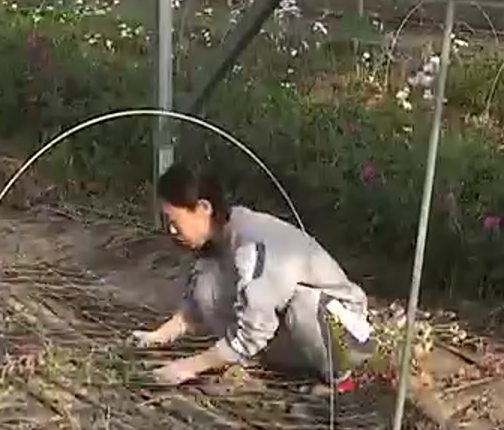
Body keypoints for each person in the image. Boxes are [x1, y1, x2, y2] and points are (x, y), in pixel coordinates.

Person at [131, 163, 374, 390]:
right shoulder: (215, 245)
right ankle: (256, 360)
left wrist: (188, 366)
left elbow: (255, 328)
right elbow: (194, 308)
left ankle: (340, 381)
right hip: (298, 334)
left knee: (303, 304)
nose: (171, 231)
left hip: (346, 335)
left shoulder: (251, 244)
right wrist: (156, 336)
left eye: (174, 221)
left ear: (204, 208)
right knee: (207, 285)